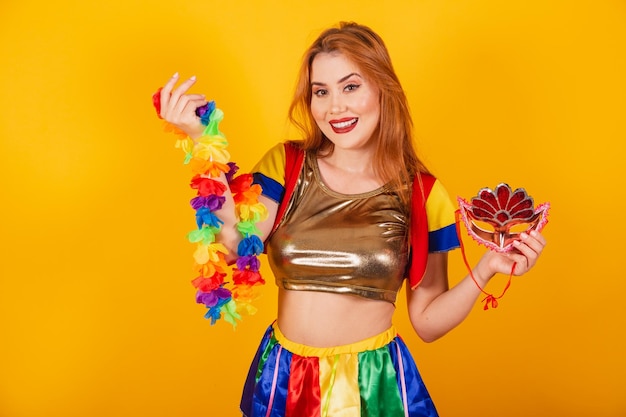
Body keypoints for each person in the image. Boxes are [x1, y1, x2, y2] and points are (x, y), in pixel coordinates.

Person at [156, 22, 546, 417]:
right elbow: (237, 243)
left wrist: (488, 268)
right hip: (284, 378)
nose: (334, 107)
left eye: (350, 86)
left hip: (374, 383)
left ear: (383, 88)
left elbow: (427, 322)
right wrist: (200, 137)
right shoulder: (285, 165)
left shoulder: (422, 194)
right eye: (320, 92)